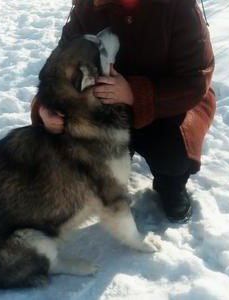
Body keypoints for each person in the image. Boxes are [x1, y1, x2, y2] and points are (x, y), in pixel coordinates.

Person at [30, 0, 216, 223]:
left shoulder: (178, 6)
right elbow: (58, 66)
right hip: (104, 104)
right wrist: (46, 108)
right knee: (70, 137)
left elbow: (194, 81)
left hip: (169, 105)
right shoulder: (88, 6)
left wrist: (135, 94)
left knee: (172, 154)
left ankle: (170, 185)